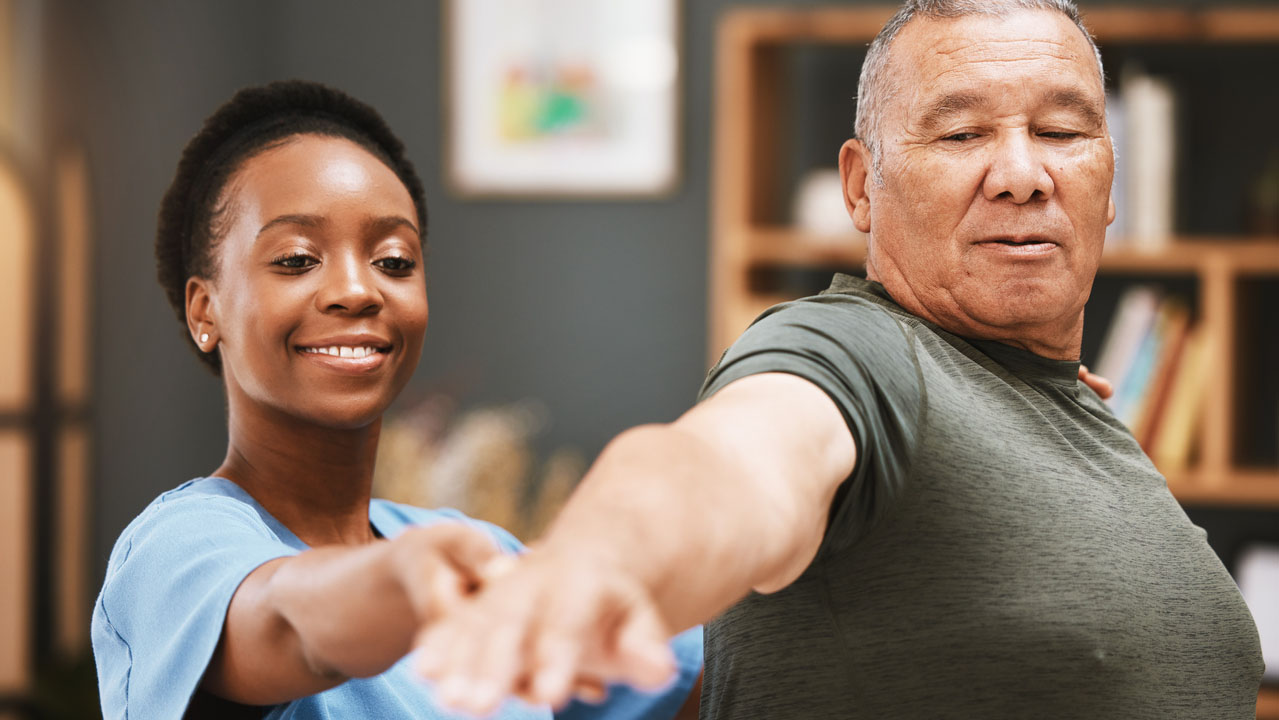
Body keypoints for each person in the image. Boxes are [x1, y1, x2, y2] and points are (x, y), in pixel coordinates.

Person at [413, 2, 1265, 718]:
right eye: (962, 132)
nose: (1020, 172)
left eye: (1061, 129)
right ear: (861, 186)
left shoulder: (1066, 405)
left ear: (1107, 184)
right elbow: (729, 462)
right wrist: (602, 562)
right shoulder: (857, 352)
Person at [90, 80, 702, 720]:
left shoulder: (467, 545)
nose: (357, 290)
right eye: (298, 259)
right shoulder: (178, 548)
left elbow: (705, 680)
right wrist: (400, 582)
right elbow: (285, 622)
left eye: (394, 260)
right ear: (203, 309)